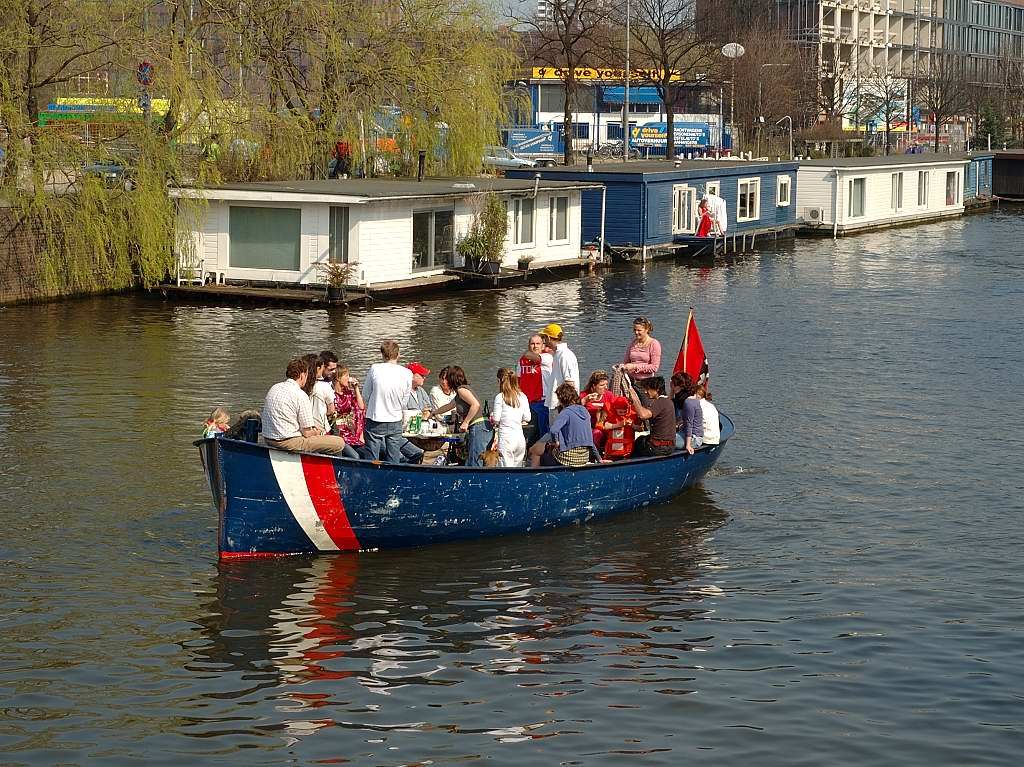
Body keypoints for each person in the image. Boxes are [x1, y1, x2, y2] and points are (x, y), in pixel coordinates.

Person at [261, 357, 354, 456]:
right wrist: (318, 432)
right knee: (338, 442)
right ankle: (331, 468)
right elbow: (307, 433)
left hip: (269, 438)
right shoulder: (300, 395)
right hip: (288, 442)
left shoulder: (275, 387)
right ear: (302, 375)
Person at [427, 366, 493, 467]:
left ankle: (474, 481)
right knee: (473, 459)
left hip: (479, 427)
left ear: (452, 379)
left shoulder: (461, 390)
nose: (445, 381)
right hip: (481, 427)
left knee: (475, 461)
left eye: (447, 378)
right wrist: (434, 413)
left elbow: (475, 405)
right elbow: (449, 405)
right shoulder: (460, 392)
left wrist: (466, 422)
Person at [362, 340, 413, 463]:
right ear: (398, 354)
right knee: (393, 456)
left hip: (375, 419)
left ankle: (372, 478)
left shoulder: (375, 369)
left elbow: (365, 394)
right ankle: (392, 478)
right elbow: (405, 400)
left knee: (372, 457)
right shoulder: (407, 373)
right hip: (395, 419)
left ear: (382, 354)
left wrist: (374, 404)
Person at [529, 383, 598, 468]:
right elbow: (590, 439)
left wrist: (556, 442)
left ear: (561, 399)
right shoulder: (585, 411)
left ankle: (535, 476)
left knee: (536, 450)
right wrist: (599, 458)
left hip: (567, 459)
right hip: (583, 458)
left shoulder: (566, 412)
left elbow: (553, 430)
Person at [626, 376, 678, 457]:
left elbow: (643, 415)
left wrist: (634, 398)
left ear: (657, 389)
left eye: (648, 389)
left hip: (660, 447)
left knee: (635, 445)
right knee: (641, 440)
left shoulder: (661, 402)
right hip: (669, 445)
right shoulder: (667, 401)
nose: (645, 392)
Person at [490, 368, 531, 467]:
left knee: (506, 471)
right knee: (518, 470)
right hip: (520, 439)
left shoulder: (500, 397)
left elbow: (496, 419)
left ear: (499, 381)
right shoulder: (522, 396)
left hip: (506, 439)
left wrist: (491, 416)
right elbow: (528, 418)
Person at [540, 323, 579, 426]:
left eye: (544, 338)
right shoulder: (559, 354)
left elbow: (570, 383)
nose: (543, 341)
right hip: (558, 405)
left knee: (559, 437)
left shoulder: (564, 355)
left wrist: (565, 408)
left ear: (548, 338)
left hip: (561, 406)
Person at [518, 334, 553, 439]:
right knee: (527, 433)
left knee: (544, 433)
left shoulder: (547, 357)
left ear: (543, 346)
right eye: (532, 344)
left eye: (538, 344)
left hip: (542, 401)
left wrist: (526, 353)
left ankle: (544, 452)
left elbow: (534, 357)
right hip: (525, 402)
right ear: (528, 345)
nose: (535, 346)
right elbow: (517, 379)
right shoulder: (522, 360)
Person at [581, 370, 617, 450]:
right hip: (589, 428)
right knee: (597, 433)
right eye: (602, 385)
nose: (606, 387)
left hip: (606, 426)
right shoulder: (584, 395)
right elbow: (573, 409)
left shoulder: (609, 395)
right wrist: (584, 401)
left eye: (606, 385)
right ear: (594, 386)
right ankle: (593, 454)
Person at [332, 365, 366, 450]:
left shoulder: (348, 393)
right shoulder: (331, 394)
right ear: (338, 378)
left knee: (359, 411)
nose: (349, 378)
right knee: (355, 456)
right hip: (339, 432)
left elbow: (361, 407)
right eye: (346, 376)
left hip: (350, 430)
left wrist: (356, 388)